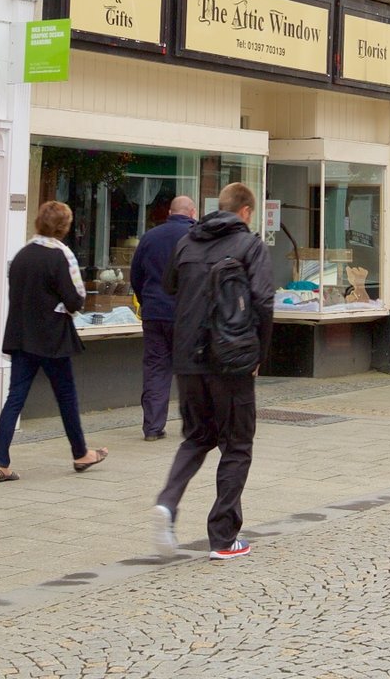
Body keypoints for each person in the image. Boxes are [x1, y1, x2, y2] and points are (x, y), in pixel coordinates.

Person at [153, 181, 275, 559]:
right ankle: (223, 537)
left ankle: (167, 503)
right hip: (231, 359)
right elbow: (264, 302)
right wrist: (258, 355)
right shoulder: (250, 245)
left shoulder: (187, 242)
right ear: (246, 212)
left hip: (187, 358)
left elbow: (169, 285)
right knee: (237, 444)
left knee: (196, 436)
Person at [0, 199, 108, 482]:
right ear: (64, 227)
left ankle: (1, 463)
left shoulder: (21, 255)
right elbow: (75, 300)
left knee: (14, 399)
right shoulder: (61, 256)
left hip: (21, 336)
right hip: (53, 338)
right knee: (66, 396)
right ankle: (80, 453)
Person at [128, 195, 197, 441]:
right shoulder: (196, 237)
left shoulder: (150, 237)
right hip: (186, 315)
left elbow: (135, 275)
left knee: (156, 368)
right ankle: (192, 424)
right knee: (190, 369)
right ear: (193, 212)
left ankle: (153, 427)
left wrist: (146, 301)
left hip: (155, 313)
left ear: (170, 212)